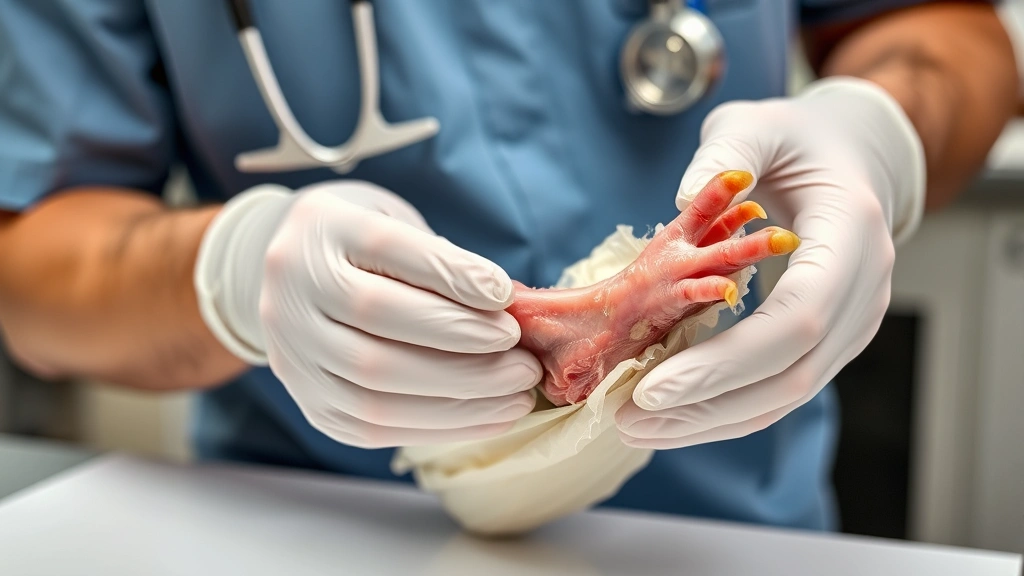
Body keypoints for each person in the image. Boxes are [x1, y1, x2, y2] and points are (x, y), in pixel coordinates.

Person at [0, 0, 1017, 531]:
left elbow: (947, 34)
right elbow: (33, 265)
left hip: (734, 526)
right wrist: (227, 273)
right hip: (320, 525)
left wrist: (879, 135)